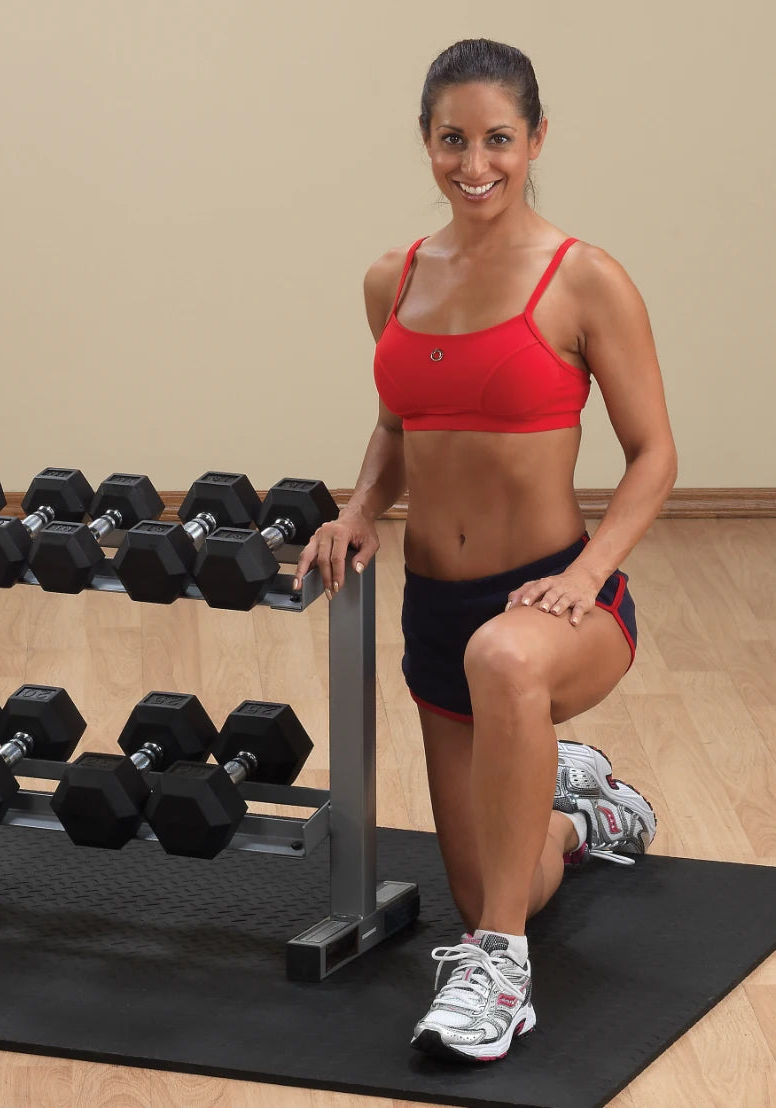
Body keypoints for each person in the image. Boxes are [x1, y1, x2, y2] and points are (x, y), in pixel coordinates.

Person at [294, 38, 677, 1062]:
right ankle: (579, 813)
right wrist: (359, 508)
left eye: (498, 139)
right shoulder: (394, 278)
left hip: (557, 609)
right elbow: (396, 424)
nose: (476, 163)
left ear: (535, 138)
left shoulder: (583, 278)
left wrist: (586, 575)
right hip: (437, 609)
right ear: (425, 142)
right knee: (483, 877)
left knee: (503, 663)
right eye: (452, 139)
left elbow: (654, 456)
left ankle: (497, 974)